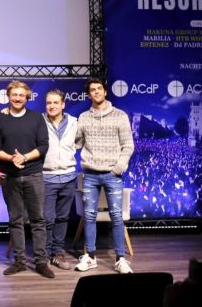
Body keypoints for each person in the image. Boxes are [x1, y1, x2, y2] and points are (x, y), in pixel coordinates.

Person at [0, 80, 53, 278]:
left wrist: (24, 157)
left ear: (27, 98)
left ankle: (41, 262)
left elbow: (43, 146)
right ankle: (20, 262)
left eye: (21, 95)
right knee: (15, 220)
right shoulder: (0, 119)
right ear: (8, 96)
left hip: (34, 175)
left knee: (38, 220)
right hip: (10, 177)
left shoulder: (36, 118)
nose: (17, 98)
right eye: (14, 94)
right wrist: (11, 158)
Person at [74, 78, 135, 274]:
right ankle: (90, 257)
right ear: (89, 95)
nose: (96, 92)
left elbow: (128, 145)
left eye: (99, 88)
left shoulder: (120, 115)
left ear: (105, 91)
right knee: (89, 216)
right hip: (90, 174)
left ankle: (120, 259)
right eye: (92, 90)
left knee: (116, 216)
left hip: (112, 174)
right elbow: (77, 142)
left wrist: (118, 168)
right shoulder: (83, 117)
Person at [41, 89, 78, 270]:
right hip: (46, 177)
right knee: (47, 219)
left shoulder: (74, 122)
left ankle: (57, 252)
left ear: (63, 104)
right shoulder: (39, 121)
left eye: (56, 102)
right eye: (49, 103)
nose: (52, 106)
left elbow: (79, 141)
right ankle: (45, 253)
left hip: (69, 177)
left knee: (62, 218)